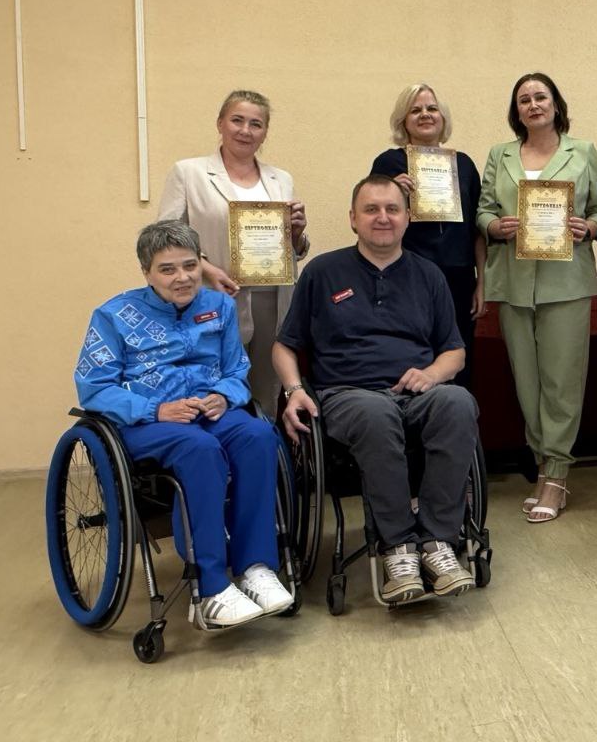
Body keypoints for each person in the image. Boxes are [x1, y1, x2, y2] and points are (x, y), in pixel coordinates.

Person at [74, 220, 293, 629]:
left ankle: (255, 567)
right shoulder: (113, 315)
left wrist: (224, 394)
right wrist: (155, 410)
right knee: (199, 449)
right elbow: (94, 388)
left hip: (210, 413)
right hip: (147, 422)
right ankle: (210, 586)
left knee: (260, 435)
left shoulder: (219, 307)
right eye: (167, 269)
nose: (182, 277)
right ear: (147, 272)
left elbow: (236, 368)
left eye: (190, 266)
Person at [273, 174, 479, 601]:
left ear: (407, 218)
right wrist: (294, 390)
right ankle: (398, 546)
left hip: (417, 393)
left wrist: (432, 374)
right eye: (371, 209)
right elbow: (285, 346)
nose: (382, 217)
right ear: (353, 218)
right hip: (346, 395)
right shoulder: (322, 272)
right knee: (376, 413)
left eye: (392, 209)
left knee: (458, 402)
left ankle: (438, 542)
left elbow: (454, 352)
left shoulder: (429, 275)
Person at [477, 73, 597, 523]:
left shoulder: (583, 152)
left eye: (541, 97)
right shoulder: (500, 154)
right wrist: (494, 226)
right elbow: (483, 210)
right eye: (524, 100)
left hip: (566, 282)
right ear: (516, 111)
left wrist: (589, 227)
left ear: (556, 105)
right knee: (527, 383)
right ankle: (542, 464)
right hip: (513, 282)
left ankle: (556, 474)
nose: (533, 105)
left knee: (562, 384)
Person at [157, 89, 310, 403]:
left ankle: (264, 434)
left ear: (265, 132)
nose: (245, 130)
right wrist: (207, 270)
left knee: (266, 392)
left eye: (256, 124)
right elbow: (166, 236)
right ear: (220, 124)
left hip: (271, 299)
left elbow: (292, 249)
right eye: (237, 120)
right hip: (214, 295)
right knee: (214, 386)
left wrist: (296, 232)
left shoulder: (280, 179)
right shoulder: (189, 172)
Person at [371, 83, 485, 390]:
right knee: (412, 352)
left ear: (443, 117)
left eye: (432, 108)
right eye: (415, 110)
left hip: (460, 277)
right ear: (403, 121)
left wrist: (482, 282)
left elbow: (477, 229)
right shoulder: (388, 163)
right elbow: (372, 222)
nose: (425, 114)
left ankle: (457, 414)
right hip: (407, 276)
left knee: (458, 353)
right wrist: (392, 192)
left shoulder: (464, 164)